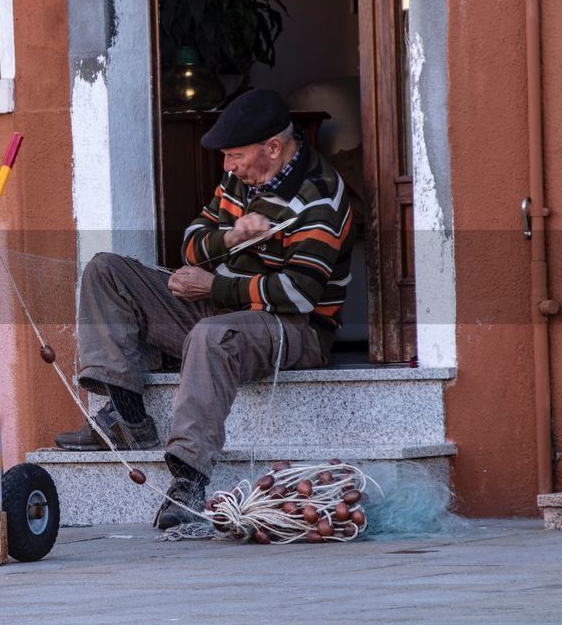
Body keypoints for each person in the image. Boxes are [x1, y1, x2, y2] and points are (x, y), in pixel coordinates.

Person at [53, 89, 357, 530]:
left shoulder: (321, 198)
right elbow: (194, 240)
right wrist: (230, 238)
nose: (228, 166)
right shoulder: (241, 181)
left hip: (297, 329)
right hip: (225, 305)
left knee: (210, 336)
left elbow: (300, 294)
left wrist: (216, 284)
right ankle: (128, 418)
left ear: (273, 148)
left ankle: (189, 478)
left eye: (236, 155)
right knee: (106, 270)